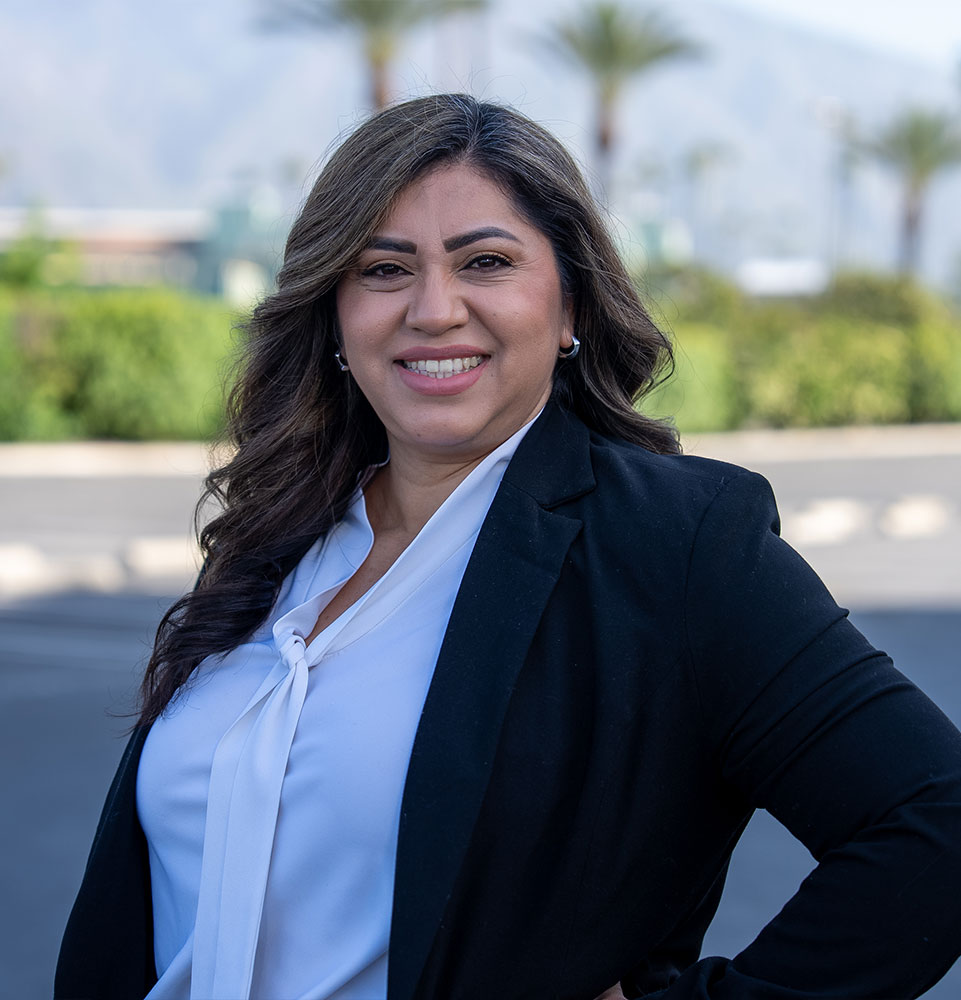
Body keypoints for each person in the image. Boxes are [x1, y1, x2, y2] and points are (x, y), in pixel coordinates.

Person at [56, 94, 961, 1000]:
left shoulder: (675, 545)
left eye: (484, 262)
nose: (432, 309)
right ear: (333, 313)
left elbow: (935, 815)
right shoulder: (276, 535)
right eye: (383, 269)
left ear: (570, 304)